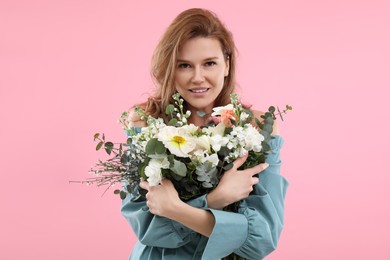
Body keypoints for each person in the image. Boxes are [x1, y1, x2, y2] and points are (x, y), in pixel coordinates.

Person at [121, 8, 288, 260]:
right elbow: (148, 227)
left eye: (209, 63)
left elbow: (262, 239)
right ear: (170, 69)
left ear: (226, 65)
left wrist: (176, 209)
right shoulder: (145, 125)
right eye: (185, 65)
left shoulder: (257, 128)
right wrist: (217, 199)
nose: (198, 78)